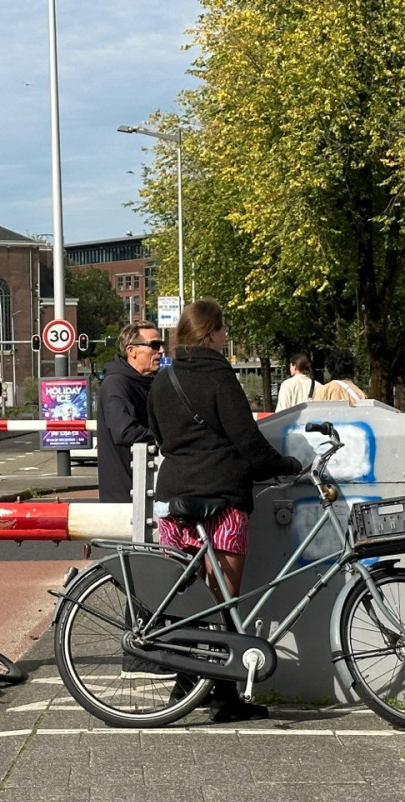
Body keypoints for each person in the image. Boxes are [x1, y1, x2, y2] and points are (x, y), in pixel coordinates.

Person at [148, 299, 304, 722]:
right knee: (223, 603)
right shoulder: (221, 377)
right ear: (214, 333)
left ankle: (184, 690)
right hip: (221, 503)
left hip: (174, 501)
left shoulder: (165, 379)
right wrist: (288, 465)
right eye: (223, 331)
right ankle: (223, 698)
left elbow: (160, 437)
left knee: (186, 601)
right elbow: (249, 444)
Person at [96, 320, 162, 502]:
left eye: (161, 345)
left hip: (147, 488)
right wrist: (161, 439)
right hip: (125, 495)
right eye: (154, 345)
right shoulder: (116, 384)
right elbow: (124, 431)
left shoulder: (149, 382)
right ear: (131, 350)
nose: (161, 351)